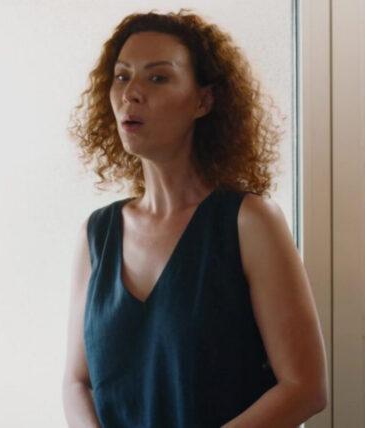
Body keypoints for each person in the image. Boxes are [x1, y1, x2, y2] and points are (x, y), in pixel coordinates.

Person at [62, 9, 328, 428]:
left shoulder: (249, 222)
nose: (131, 93)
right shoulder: (97, 234)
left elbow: (305, 388)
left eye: (158, 77)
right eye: (122, 76)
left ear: (203, 101)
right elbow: (77, 383)